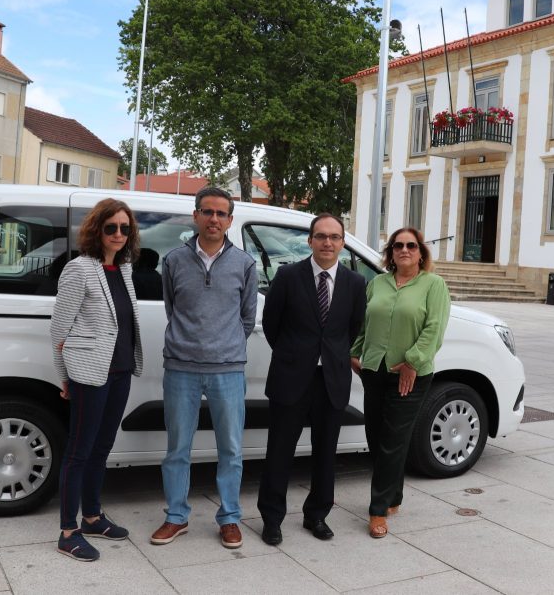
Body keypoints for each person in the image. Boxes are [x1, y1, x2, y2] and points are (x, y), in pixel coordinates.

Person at [151, 186, 258, 550]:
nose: (214, 219)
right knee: (177, 448)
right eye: (207, 212)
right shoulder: (174, 261)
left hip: (227, 369)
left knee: (230, 448)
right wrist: (191, 341)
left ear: (230, 220)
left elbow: (246, 319)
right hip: (181, 367)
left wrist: (223, 345)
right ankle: (175, 517)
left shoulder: (244, 264)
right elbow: (173, 308)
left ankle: (229, 518)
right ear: (195, 215)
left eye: (221, 214)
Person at [256, 214, 366, 546]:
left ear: (343, 243)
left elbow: (353, 329)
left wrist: (329, 356)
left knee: (325, 453)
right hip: (291, 377)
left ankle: (316, 515)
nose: (327, 243)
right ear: (310, 241)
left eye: (334, 237)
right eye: (320, 236)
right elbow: (272, 324)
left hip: (331, 380)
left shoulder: (355, 283)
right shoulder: (288, 276)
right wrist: (296, 355)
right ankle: (272, 519)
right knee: (279, 451)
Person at [50, 198, 144, 561]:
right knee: (79, 450)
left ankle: (92, 517)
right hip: (90, 373)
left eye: (125, 228)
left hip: (120, 371)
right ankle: (68, 531)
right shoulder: (79, 269)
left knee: (103, 447)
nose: (118, 234)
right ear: (97, 230)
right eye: (111, 228)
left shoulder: (124, 268)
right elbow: (59, 330)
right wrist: (64, 378)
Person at [350, 227, 450, 539]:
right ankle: (393, 495)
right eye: (397, 246)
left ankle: (377, 510)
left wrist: (412, 362)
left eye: (410, 245)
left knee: (393, 439)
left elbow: (435, 328)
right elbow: (365, 323)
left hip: (411, 374)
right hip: (374, 370)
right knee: (377, 435)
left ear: (421, 252)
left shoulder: (434, 285)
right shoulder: (378, 283)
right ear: (391, 252)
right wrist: (355, 355)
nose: (403, 250)